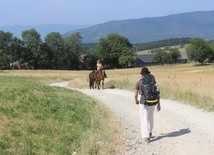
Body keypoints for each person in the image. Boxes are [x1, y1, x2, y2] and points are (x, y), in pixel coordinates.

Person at [134, 67, 161, 143]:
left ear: (142, 74)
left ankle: (146, 137)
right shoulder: (154, 82)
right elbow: (158, 93)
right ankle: (150, 133)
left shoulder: (139, 82)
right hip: (153, 102)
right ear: (148, 73)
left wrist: (136, 100)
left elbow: (135, 94)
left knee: (144, 119)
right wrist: (159, 104)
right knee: (150, 118)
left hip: (144, 103)